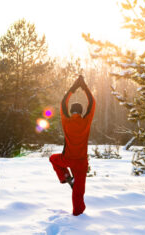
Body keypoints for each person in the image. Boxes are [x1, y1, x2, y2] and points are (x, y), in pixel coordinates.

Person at [49, 75, 95, 216]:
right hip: (81, 162)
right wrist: (84, 86)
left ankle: (66, 177)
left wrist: (74, 87)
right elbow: (92, 102)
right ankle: (78, 214)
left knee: (52, 158)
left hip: (67, 158)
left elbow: (63, 102)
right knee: (78, 192)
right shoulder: (86, 121)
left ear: (71, 112)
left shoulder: (66, 121)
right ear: (81, 112)